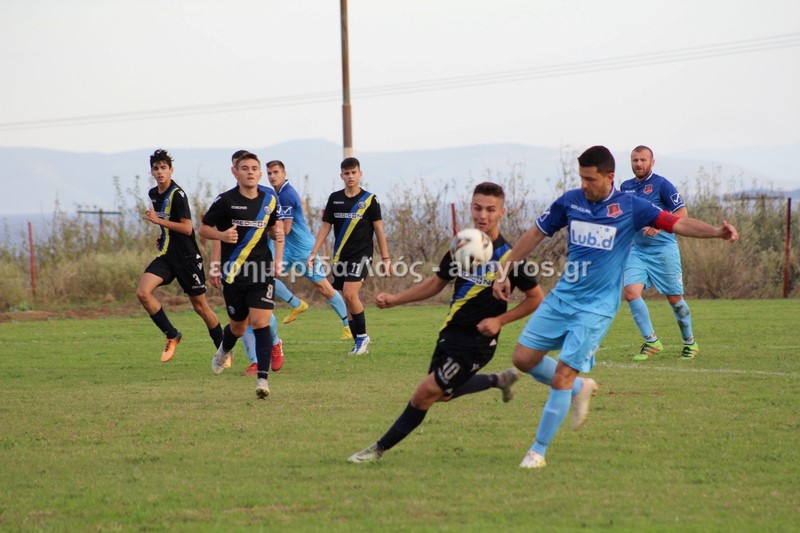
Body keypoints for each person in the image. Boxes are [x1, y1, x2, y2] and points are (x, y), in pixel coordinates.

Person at [493, 146, 738, 469]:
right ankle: (580, 387)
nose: (584, 184)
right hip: (563, 297)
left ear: (609, 177)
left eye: (590, 179)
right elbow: (535, 234)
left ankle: (537, 452)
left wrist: (717, 232)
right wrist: (505, 268)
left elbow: (677, 224)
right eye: (581, 178)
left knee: (563, 373)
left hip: (596, 307)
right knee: (523, 358)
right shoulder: (570, 201)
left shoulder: (631, 206)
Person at [347, 182, 545, 463]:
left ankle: (376, 450)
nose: (483, 215)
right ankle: (499, 379)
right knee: (443, 394)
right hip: (450, 334)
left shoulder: (510, 258)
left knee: (424, 394)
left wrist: (499, 320)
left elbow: (536, 298)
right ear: (471, 208)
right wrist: (396, 299)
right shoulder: (462, 245)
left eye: (490, 210)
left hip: (477, 343)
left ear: (502, 212)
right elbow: (436, 283)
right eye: (478, 208)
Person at [199, 152, 284, 399]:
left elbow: (272, 228)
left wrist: (277, 240)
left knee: (261, 323)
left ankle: (262, 380)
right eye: (244, 168)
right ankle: (224, 349)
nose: (250, 172)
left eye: (254, 168)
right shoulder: (225, 201)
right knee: (238, 327)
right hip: (234, 273)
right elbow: (203, 229)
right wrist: (221, 236)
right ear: (235, 172)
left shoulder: (269, 199)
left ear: (259, 173)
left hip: (261, 271)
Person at [136, 149, 224, 362]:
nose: (160, 172)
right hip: (167, 255)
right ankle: (172, 335)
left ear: (171, 170)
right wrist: (162, 234)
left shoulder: (178, 195)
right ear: (151, 172)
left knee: (200, 307)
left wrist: (159, 221)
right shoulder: (153, 193)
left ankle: (224, 350)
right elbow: (169, 224)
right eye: (156, 168)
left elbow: (187, 228)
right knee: (143, 292)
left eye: (163, 167)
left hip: (187, 258)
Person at [621, 145, 698, 360]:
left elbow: (682, 213)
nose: (639, 164)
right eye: (635, 160)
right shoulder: (625, 187)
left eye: (643, 160)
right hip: (637, 251)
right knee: (631, 293)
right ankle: (652, 341)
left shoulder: (662, 184)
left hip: (663, 250)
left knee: (674, 299)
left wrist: (659, 226)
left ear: (652, 162)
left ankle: (689, 343)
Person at [308, 157, 390, 355]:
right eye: (347, 173)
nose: (351, 176)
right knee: (347, 299)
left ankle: (363, 337)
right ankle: (358, 343)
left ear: (360, 174)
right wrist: (314, 252)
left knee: (350, 293)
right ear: (341, 176)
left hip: (361, 255)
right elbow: (325, 227)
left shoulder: (370, 200)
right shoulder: (335, 198)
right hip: (340, 256)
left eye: (354, 172)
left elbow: (379, 230)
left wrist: (386, 258)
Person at [267, 160, 352, 339]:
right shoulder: (277, 194)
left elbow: (286, 230)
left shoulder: (287, 195)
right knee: (265, 276)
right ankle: (297, 304)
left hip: (303, 249)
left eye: (276, 172)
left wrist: (264, 231)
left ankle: (349, 326)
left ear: (284, 173)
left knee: (323, 287)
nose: (272, 176)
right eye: (269, 173)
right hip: (287, 248)